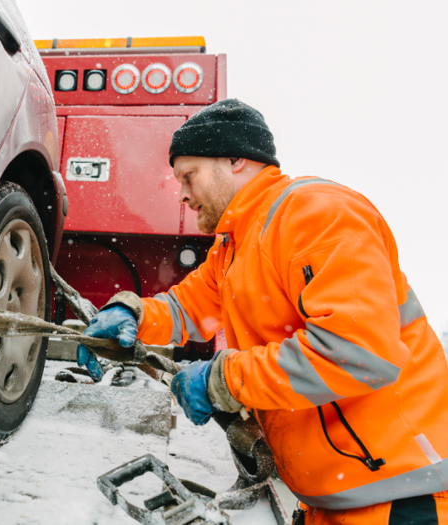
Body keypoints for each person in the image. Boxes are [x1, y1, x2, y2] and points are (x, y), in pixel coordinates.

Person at [76, 99, 448, 524]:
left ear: (235, 159)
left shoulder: (316, 214)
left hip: (401, 498)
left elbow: (359, 352)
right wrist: (133, 315)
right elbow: (186, 307)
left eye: (188, 176)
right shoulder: (234, 248)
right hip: (334, 499)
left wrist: (225, 380)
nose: (181, 194)